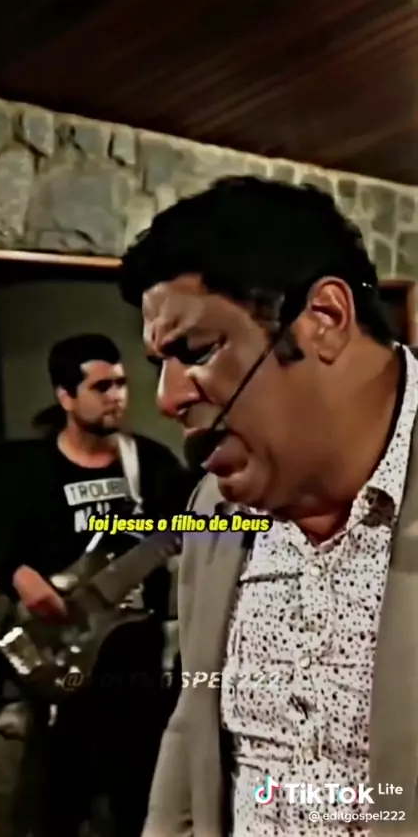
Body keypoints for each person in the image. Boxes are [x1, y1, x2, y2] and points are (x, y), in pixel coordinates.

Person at [120, 176, 418, 836]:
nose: (167, 398)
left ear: (325, 320)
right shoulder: (214, 511)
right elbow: (192, 726)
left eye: (197, 351)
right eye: (159, 364)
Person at [0, 333, 192, 837]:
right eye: (101, 387)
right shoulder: (28, 470)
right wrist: (17, 574)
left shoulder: (150, 464)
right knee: (57, 806)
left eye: (121, 384)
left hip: (135, 663)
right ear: (65, 396)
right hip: (61, 662)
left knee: (140, 803)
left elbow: (202, 523)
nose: (117, 396)